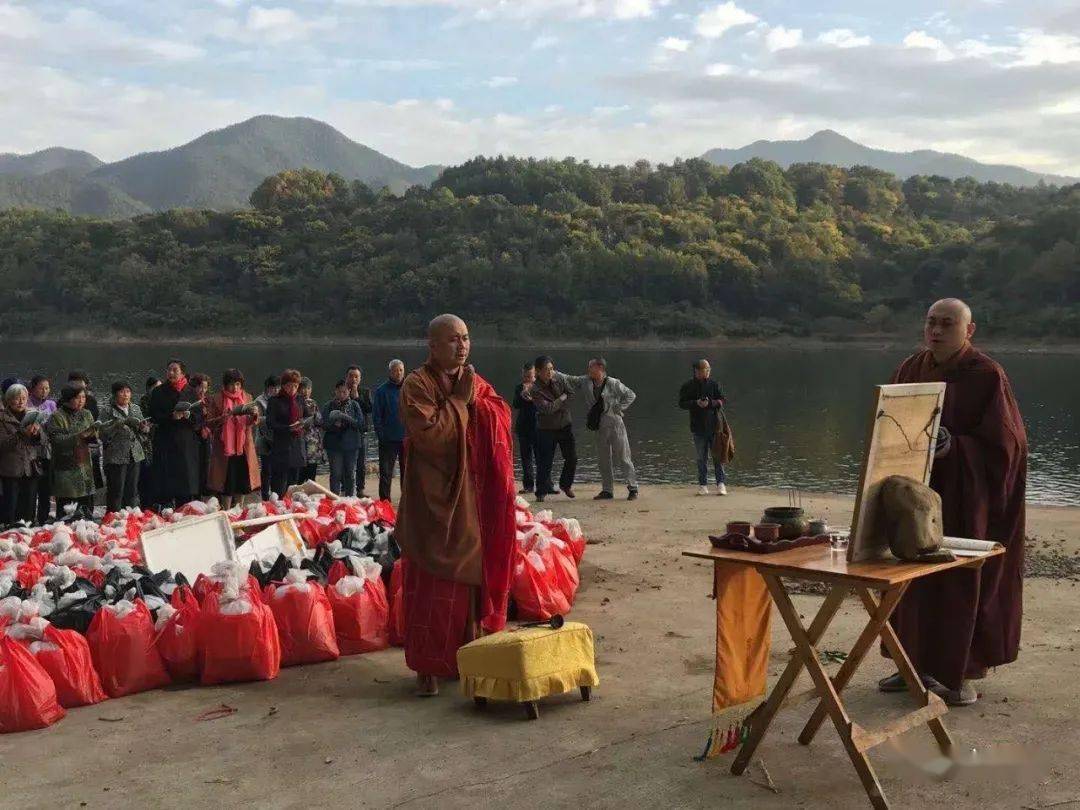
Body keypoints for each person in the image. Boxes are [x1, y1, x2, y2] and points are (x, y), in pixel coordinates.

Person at [878, 298, 1028, 707]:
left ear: (969, 330)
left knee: (957, 582)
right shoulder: (910, 369)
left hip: (965, 500)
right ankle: (909, 665)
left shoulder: (986, 375)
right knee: (909, 579)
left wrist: (956, 447)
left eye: (947, 324)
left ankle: (959, 673)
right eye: (931, 322)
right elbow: (889, 421)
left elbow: (1008, 446)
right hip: (914, 499)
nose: (936, 331)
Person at [396, 314, 516, 696]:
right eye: (453, 340)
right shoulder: (417, 384)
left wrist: (477, 405)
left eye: (466, 338)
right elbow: (430, 437)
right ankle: (428, 668)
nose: (462, 346)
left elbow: (501, 415)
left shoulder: (475, 383)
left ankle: (467, 657)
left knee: (469, 585)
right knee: (430, 588)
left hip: (470, 500)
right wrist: (462, 402)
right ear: (433, 345)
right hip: (433, 503)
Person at [558, 358, 639, 501]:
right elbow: (569, 379)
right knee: (603, 460)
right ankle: (607, 490)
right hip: (599, 425)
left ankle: (633, 488)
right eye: (589, 367)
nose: (588, 369)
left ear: (600, 368)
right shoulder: (585, 381)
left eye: (591, 367)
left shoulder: (613, 383)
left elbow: (630, 395)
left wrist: (619, 407)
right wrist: (554, 373)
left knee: (623, 457)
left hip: (615, 423)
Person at [146, 359, 202, 508]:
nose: (170, 373)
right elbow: (153, 415)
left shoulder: (191, 391)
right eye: (169, 370)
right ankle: (164, 511)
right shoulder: (159, 391)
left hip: (186, 442)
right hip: (166, 440)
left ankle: (185, 511)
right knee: (166, 482)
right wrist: (171, 417)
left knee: (186, 482)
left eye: (174, 370)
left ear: (182, 373)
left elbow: (200, 418)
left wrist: (189, 416)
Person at [205, 369, 261, 509]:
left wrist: (254, 415)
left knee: (243, 481)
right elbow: (209, 423)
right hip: (225, 448)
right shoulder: (217, 399)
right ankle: (227, 511)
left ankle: (239, 510)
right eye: (231, 384)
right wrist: (222, 418)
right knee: (226, 482)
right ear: (225, 385)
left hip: (243, 447)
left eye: (237, 384)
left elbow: (251, 422)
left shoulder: (247, 397)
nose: (235, 388)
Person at [529, 355, 577, 502]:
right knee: (545, 461)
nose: (550, 372)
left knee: (572, 458)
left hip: (565, 425)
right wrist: (561, 399)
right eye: (546, 370)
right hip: (546, 428)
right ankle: (541, 492)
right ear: (537, 371)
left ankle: (565, 484)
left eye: (551, 369)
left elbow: (570, 392)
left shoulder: (559, 379)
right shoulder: (535, 389)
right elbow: (547, 409)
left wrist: (562, 399)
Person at [678, 359, 728, 496]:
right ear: (696, 371)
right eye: (703, 371)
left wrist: (710, 403)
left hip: (715, 427)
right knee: (701, 458)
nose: (706, 373)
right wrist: (696, 403)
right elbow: (681, 403)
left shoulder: (714, 384)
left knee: (717, 456)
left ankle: (721, 484)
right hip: (697, 428)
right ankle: (703, 485)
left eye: (707, 370)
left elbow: (722, 400)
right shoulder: (688, 386)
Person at [46, 385, 96, 518]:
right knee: (67, 506)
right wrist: (78, 436)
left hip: (84, 462)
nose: (81, 401)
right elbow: (57, 440)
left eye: (83, 397)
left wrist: (94, 435)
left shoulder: (87, 414)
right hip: (65, 465)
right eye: (78, 397)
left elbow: (94, 436)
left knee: (86, 504)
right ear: (68, 399)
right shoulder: (57, 416)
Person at [98, 381, 148, 512]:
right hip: (116, 455)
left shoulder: (135, 408)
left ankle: (131, 516)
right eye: (122, 392)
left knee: (132, 489)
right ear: (115, 394)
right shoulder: (107, 410)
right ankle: (113, 517)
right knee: (116, 490)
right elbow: (101, 433)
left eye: (128, 391)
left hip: (135, 453)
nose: (125, 395)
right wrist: (117, 425)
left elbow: (145, 431)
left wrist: (143, 427)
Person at [0, 384, 44, 524]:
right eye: (16, 398)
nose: (20, 402)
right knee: (10, 508)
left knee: (29, 508)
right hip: (11, 470)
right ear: (8, 400)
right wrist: (20, 433)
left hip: (30, 468)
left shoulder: (32, 414)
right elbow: (2, 444)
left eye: (24, 398)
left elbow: (43, 441)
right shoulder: (2, 418)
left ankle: (27, 535)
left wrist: (37, 434)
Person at [322, 380, 364, 496]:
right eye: (339, 392)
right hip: (334, 446)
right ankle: (334, 499)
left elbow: (360, 424)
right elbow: (323, 424)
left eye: (344, 392)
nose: (342, 394)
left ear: (349, 391)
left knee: (350, 474)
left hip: (351, 445)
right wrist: (334, 425)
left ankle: (350, 499)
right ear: (335, 391)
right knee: (336, 474)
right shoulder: (328, 406)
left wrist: (346, 418)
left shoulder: (355, 405)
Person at [267, 369, 304, 498]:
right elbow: (270, 423)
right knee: (279, 484)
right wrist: (288, 428)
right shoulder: (275, 401)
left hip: (296, 446)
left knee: (293, 484)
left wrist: (304, 423)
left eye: (295, 386)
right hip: (281, 447)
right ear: (283, 385)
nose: (292, 389)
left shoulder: (300, 399)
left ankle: (291, 508)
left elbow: (305, 417)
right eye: (289, 385)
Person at [372, 360, 406, 501]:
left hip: (407, 438)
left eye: (401, 370)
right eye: (395, 370)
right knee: (386, 473)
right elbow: (376, 417)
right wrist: (382, 436)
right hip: (388, 439)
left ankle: (407, 501)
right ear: (390, 372)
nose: (398, 373)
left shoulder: (410, 389)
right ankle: (385, 502)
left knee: (407, 472)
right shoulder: (381, 391)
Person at [28, 375, 56, 524]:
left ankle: (43, 518)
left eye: (47, 388)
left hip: (47, 451)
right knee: (31, 488)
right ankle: (29, 518)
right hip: (32, 452)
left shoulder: (51, 405)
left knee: (46, 488)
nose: (45, 391)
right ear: (33, 388)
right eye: (41, 388)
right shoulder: (26, 403)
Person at [512, 362, 539, 496]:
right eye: (525, 376)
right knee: (526, 457)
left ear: (535, 375)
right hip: (524, 427)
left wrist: (533, 397)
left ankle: (546, 484)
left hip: (539, 426)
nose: (527, 379)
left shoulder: (541, 386)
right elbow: (516, 405)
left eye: (529, 376)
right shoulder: (519, 387)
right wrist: (522, 394)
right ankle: (528, 486)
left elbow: (545, 405)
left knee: (542, 457)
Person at [346, 365, 373, 496]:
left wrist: (357, 397)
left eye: (356, 376)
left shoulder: (365, 392)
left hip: (361, 433)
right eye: (351, 376)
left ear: (360, 378)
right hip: (345, 433)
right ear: (346, 377)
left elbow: (369, 409)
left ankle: (360, 489)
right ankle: (345, 488)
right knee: (347, 462)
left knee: (361, 463)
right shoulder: (341, 390)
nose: (353, 379)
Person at [254, 375, 280, 501]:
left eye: (278, 388)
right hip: (265, 440)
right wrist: (272, 419)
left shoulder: (281, 399)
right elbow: (257, 420)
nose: (276, 390)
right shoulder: (259, 400)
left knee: (277, 469)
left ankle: (275, 496)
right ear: (267, 388)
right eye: (273, 388)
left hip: (278, 439)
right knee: (267, 469)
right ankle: (264, 496)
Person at [137, 376, 161, 511]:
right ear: (149, 389)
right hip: (146, 444)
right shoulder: (144, 402)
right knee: (146, 474)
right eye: (155, 388)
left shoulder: (161, 401)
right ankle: (146, 504)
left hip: (159, 443)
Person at [296, 377, 323, 484]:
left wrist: (316, 417)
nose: (305, 391)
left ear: (311, 390)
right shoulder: (295, 402)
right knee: (300, 476)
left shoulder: (313, 403)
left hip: (313, 444)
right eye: (302, 388)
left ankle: (311, 497)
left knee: (312, 475)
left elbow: (320, 422)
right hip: (301, 443)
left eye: (307, 388)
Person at [190, 373, 212, 497]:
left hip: (207, 438)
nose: (203, 390)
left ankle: (204, 492)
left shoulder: (208, 400)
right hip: (194, 438)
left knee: (206, 465)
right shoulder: (191, 401)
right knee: (196, 467)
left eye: (205, 387)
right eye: (200, 387)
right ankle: (196, 495)